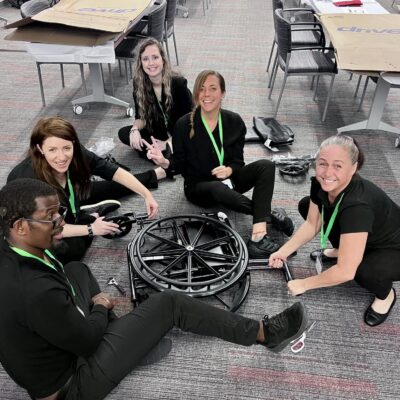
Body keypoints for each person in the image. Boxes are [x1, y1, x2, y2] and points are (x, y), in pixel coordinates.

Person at [0, 178, 309, 400]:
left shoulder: (11, 250)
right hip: (71, 385)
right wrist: (100, 307)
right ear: (20, 226)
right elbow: (88, 340)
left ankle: (130, 342)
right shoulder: (35, 291)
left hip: (49, 349)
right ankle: (264, 333)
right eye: (50, 219)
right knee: (169, 303)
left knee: (76, 270)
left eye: (58, 214)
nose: (60, 223)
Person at [146, 70, 294, 258]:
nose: (206, 94)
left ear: (222, 93)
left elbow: (238, 161)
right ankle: (269, 217)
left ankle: (258, 236)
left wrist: (230, 169)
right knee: (217, 188)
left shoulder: (234, 121)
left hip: (229, 180)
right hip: (198, 187)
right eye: (202, 89)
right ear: (196, 94)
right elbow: (179, 166)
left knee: (266, 165)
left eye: (213, 88)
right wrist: (165, 162)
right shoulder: (183, 125)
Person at [269, 135, 400, 326]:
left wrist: (304, 284)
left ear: (353, 168)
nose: (328, 173)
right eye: (323, 163)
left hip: (393, 247)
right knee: (307, 205)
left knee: (363, 271)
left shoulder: (357, 206)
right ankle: (345, 251)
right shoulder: (321, 184)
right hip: (365, 232)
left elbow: (346, 272)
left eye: (338, 166)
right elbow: (313, 224)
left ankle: (386, 295)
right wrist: (283, 251)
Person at [7, 116, 161, 263]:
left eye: (66, 148)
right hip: (37, 228)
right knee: (70, 252)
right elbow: (49, 227)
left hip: (69, 199)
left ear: (73, 143)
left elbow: (111, 171)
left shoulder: (77, 152)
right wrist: (91, 228)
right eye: (52, 150)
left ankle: (156, 174)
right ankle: (91, 217)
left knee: (111, 187)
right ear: (40, 148)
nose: (61, 157)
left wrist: (146, 194)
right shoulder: (28, 181)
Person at [118, 37, 193, 159]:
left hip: (181, 132)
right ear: (141, 63)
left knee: (188, 143)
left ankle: (162, 155)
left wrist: (168, 142)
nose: (151, 63)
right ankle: (162, 155)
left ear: (163, 59)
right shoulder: (139, 84)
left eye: (155, 57)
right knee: (125, 133)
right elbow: (140, 117)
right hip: (158, 130)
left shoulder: (178, 83)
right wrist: (135, 129)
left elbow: (189, 122)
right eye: (145, 59)